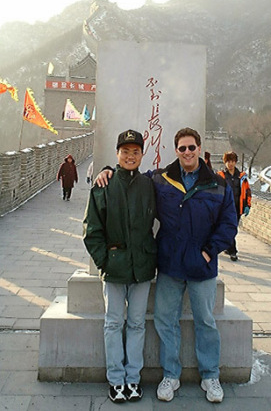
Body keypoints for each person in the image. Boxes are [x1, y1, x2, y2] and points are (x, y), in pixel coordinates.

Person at [95, 127, 237, 404]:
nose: (187, 152)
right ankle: (171, 374)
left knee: (206, 321)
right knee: (164, 321)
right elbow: (130, 175)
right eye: (182, 148)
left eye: (191, 147)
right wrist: (106, 170)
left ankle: (210, 375)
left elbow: (229, 223)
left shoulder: (218, 184)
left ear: (199, 148)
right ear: (176, 151)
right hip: (171, 264)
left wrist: (209, 253)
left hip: (202, 267)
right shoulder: (161, 179)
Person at [83, 129, 157, 404]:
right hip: (115, 271)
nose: (129, 156)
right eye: (125, 151)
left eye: (135, 152)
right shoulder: (104, 185)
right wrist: (106, 261)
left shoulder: (149, 185)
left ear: (141, 154)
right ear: (117, 154)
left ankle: (133, 379)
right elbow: (92, 231)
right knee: (114, 323)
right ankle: (116, 380)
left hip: (141, 268)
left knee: (137, 324)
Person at [217, 151, 251, 261]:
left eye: (232, 161)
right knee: (228, 228)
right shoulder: (221, 176)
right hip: (225, 208)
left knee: (233, 228)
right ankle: (233, 251)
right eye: (228, 161)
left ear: (235, 162)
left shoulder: (241, 177)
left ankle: (228, 246)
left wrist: (248, 205)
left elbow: (247, 192)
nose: (230, 164)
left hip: (237, 207)